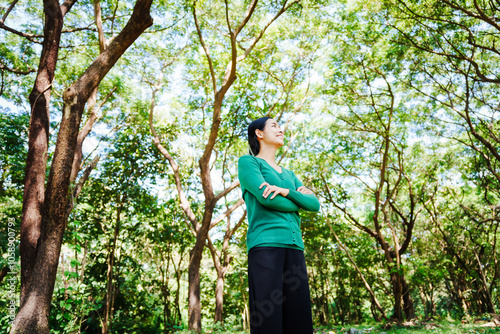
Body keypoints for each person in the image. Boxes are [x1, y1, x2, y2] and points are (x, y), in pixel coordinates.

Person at [238, 116, 320, 334]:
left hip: (295, 248)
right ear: (259, 133)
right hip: (265, 246)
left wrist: (286, 191)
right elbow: (267, 199)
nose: (280, 129)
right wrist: (297, 201)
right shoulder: (249, 163)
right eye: (273, 125)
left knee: (299, 320)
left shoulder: (291, 175)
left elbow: (314, 204)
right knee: (268, 321)